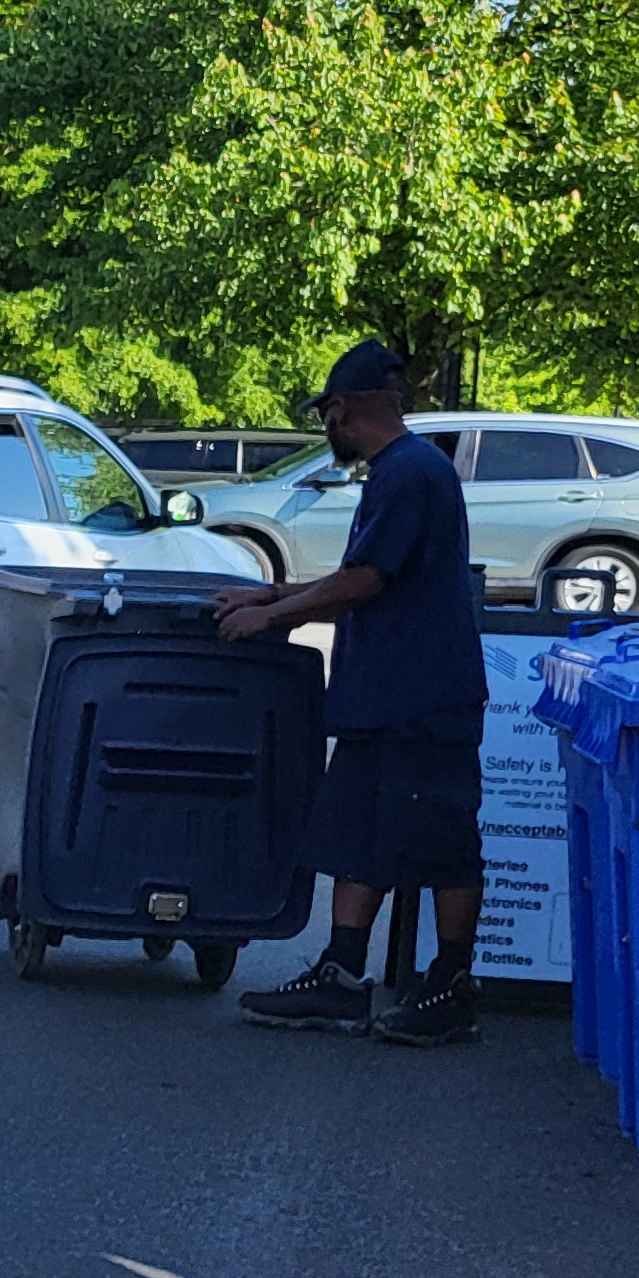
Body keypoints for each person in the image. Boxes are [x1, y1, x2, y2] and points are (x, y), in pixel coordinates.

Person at [218, 340, 491, 1046]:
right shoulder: (402, 471)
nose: (326, 428)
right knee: (356, 836)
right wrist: (272, 590)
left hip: (425, 696)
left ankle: (452, 985)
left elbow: (364, 580)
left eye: (327, 415)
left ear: (343, 409)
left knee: (443, 842)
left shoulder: (409, 473)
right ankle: (340, 976)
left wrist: (271, 615)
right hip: (384, 698)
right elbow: (362, 574)